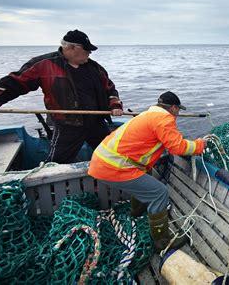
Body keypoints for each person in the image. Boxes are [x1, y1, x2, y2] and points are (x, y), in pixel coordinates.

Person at [0, 29, 124, 163]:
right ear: (71, 48)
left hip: (96, 122)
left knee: (113, 157)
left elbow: (110, 90)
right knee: (56, 163)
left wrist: (115, 105)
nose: (89, 54)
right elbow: (15, 83)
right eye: (87, 50)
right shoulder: (44, 64)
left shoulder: (95, 68)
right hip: (67, 125)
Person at [88, 91, 205, 253]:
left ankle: (137, 212)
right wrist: (200, 145)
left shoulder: (147, 115)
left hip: (102, 161)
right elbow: (177, 147)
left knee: (146, 175)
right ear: (173, 108)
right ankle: (162, 241)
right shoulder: (164, 118)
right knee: (159, 193)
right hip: (113, 166)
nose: (178, 114)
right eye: (178, 110)